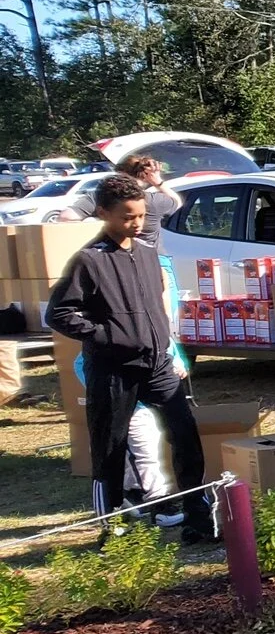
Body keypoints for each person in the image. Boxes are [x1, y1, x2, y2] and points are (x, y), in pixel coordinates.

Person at [47, 174, 215, 541]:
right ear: (104, 213)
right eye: (126, 216)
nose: (136, 223)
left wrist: (169, 350)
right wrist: (107, 336)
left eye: (140, 215)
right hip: (113, 370)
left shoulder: (148, 254)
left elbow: (156, 308)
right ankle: (111, 528)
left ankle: (198, 518)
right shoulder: (89, 261)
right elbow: (59, 314)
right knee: (110, 447)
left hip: (157, 365)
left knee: (186, 437)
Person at [59, 155, 182, 245]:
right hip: (152, 261)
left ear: (121, 174)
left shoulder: (100, 197)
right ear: (145, 178)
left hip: (114, 259)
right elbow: (177, 202)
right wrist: (158, 182)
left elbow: (66, 217)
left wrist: (99, 221)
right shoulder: (156, 201)